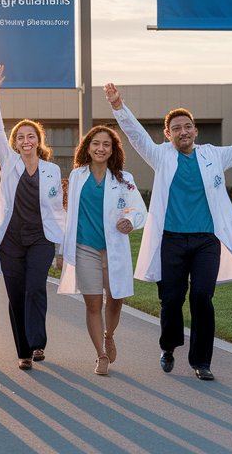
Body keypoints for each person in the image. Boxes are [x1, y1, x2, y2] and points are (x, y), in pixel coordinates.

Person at [105, 83, 232, 381]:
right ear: (168, 134)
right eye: (176, 128)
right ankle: (168, 346)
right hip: (171, 240)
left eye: (188, 126)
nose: (183, 132)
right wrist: (118, 106)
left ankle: (201, 361)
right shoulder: (161, 156)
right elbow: (136, 135)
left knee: (203, 296)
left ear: (195, 131)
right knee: (171, 299)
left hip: (206, 240)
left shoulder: (213, 156)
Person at [0, 65, 66, 371]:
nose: (26, 140)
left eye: (31, 135)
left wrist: (60, 246)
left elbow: (56, 209)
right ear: (15, 142)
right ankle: (23, 351)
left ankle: (37, 342)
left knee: (36, 288)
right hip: (11, 242)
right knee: (16, 294)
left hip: (41, 240)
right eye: (20, 136)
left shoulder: (51, 170)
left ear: (38, 140)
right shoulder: (9, 161)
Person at [56, 125, 146, 376]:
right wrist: (62, 251)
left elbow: (139, 209)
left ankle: (109, 334)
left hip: (114, 249)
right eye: (96, 143)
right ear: (87, 147)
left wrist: (131, 221)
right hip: (85, 248)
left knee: (116, 300)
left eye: (106, 144)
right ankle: (101, 355)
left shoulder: (124, 179)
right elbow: (70, 214)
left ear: (112, 150)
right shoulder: (77, 176)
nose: (100, 148)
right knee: (93, 304)